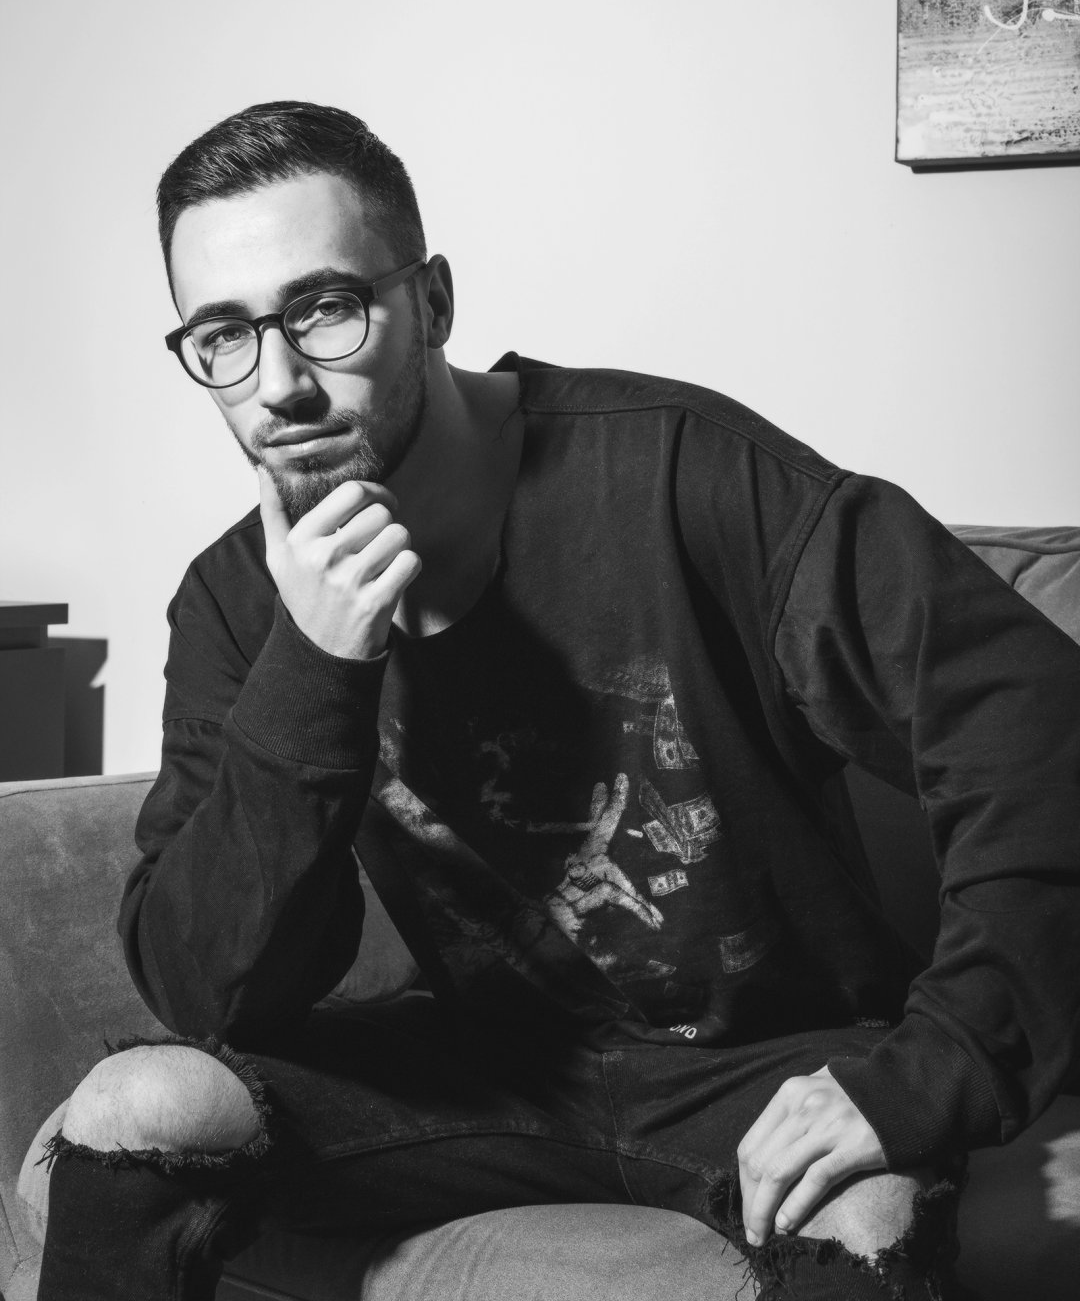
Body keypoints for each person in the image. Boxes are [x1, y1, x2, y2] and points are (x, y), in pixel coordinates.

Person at [37, 101, 1080, 1301]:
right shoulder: (237, 602)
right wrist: (315, 665)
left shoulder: (682, 472)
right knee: (133, 1106)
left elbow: (1038, 731)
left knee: (869, 1208)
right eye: (224, 334)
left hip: (770, 1063)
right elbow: (217, 990)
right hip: (483, 1074)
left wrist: (937, 1066)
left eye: (324, 309)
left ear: (432, 302)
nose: (277, 385)